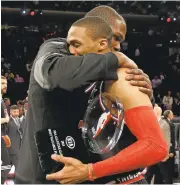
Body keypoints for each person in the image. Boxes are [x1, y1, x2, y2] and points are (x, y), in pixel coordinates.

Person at [15, 6, 153, 184]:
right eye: (116, 37)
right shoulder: (56, 48)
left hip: (78, 174)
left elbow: (125, 123)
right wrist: (117, 59)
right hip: (40, 178)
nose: (119, 46)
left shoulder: (103, 67)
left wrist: (145, 94)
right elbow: (51, 74)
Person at [46, 17, 167, 184]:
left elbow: (156, 146)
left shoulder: (123, 78)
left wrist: (90, 171)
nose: (116, 46)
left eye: (118, 39)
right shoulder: (81, 77)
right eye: (114, 37)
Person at [1, 76, 11, 183]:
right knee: (6, 164)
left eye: (6, 84)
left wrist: (5, 134)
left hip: (2, 135)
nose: (5, 86)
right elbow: (6, 119)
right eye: (2, 83)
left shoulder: (2, 101)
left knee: (6, 164)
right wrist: (6, 119)